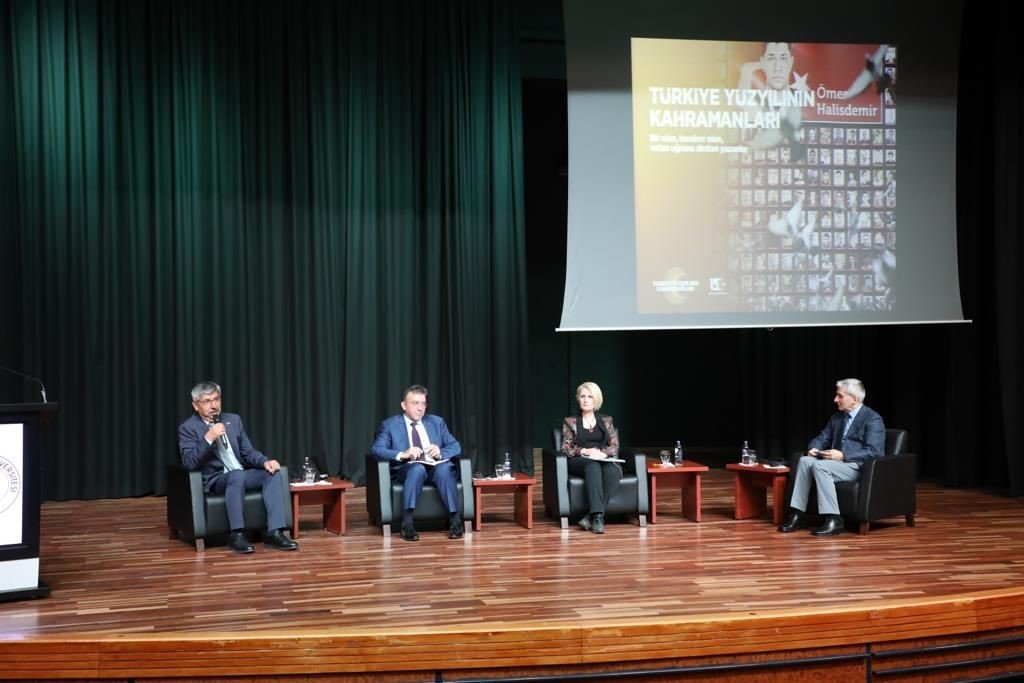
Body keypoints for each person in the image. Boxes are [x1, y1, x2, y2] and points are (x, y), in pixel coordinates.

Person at [177, 381, 298, 554]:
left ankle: (274, 533)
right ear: (196, 406)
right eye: (207, 401)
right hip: (215, 479)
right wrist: (208, 438)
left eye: (216, 399)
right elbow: (189, 462)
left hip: (239, 474)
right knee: (237, 475)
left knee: (272, 474)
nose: (213, 405)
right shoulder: (188, 428)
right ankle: (237, 535)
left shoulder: (233, 420)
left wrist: (265, 461)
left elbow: (247, 451)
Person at [779, 378, 885, 536]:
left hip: (858, 466)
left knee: (820, 466)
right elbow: (822, 438)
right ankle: (798, 514)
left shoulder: (872, 419)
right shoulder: (837, 418)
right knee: (805, 460)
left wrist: (843, 455)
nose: (835, 400)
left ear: (854, 399)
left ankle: (834, 519)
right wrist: (814, 448)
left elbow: (874, 451)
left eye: (839, 396)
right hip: (835, 464)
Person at [370, 384, 464, 542]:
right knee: (417, 469)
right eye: (415, 403)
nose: (420, 408)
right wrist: (403, 454)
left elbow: (455, 446)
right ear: (404, 405)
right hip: (408, 469)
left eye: (423, 403)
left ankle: (455, 521)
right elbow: (377, 449)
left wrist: (440, 452)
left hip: (435, 467)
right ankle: (407, 524)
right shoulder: (390, 425)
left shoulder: (436, 422)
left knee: (443, 470)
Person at [560, 381, 623, 534]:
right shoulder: (570, 421)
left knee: (615, 471)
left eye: (590, 396)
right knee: (592, 466)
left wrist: (603, 453)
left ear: (596, 400)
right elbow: (566, 448)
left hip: (601, 457)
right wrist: (586, 451)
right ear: (578, 399)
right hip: (579, 460)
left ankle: (594, 516)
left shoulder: (607, 420)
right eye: (582, 396)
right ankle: (597, 517)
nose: (586, 400)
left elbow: (613, 446)